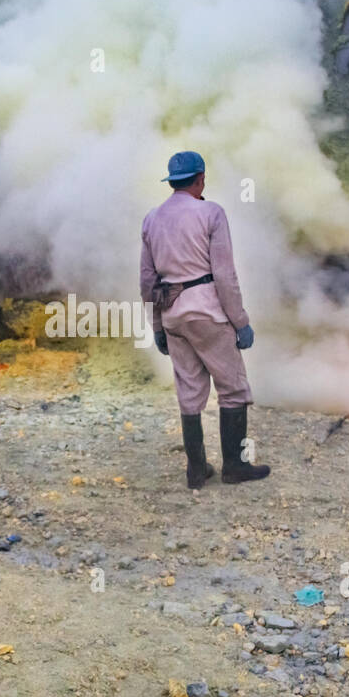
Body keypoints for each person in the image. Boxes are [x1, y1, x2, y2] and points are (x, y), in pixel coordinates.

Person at [140, 151, 270, 489]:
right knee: (233, 389)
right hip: (208, 313)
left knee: (189, 391)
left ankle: (196, 470)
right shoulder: (211, 212)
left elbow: (146, 281)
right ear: (200, 179)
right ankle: (235, 467)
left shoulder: (151, 219)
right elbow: (224, 275)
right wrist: (240, 321)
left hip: (172, 316)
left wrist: (157, 325)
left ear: (171, 182)